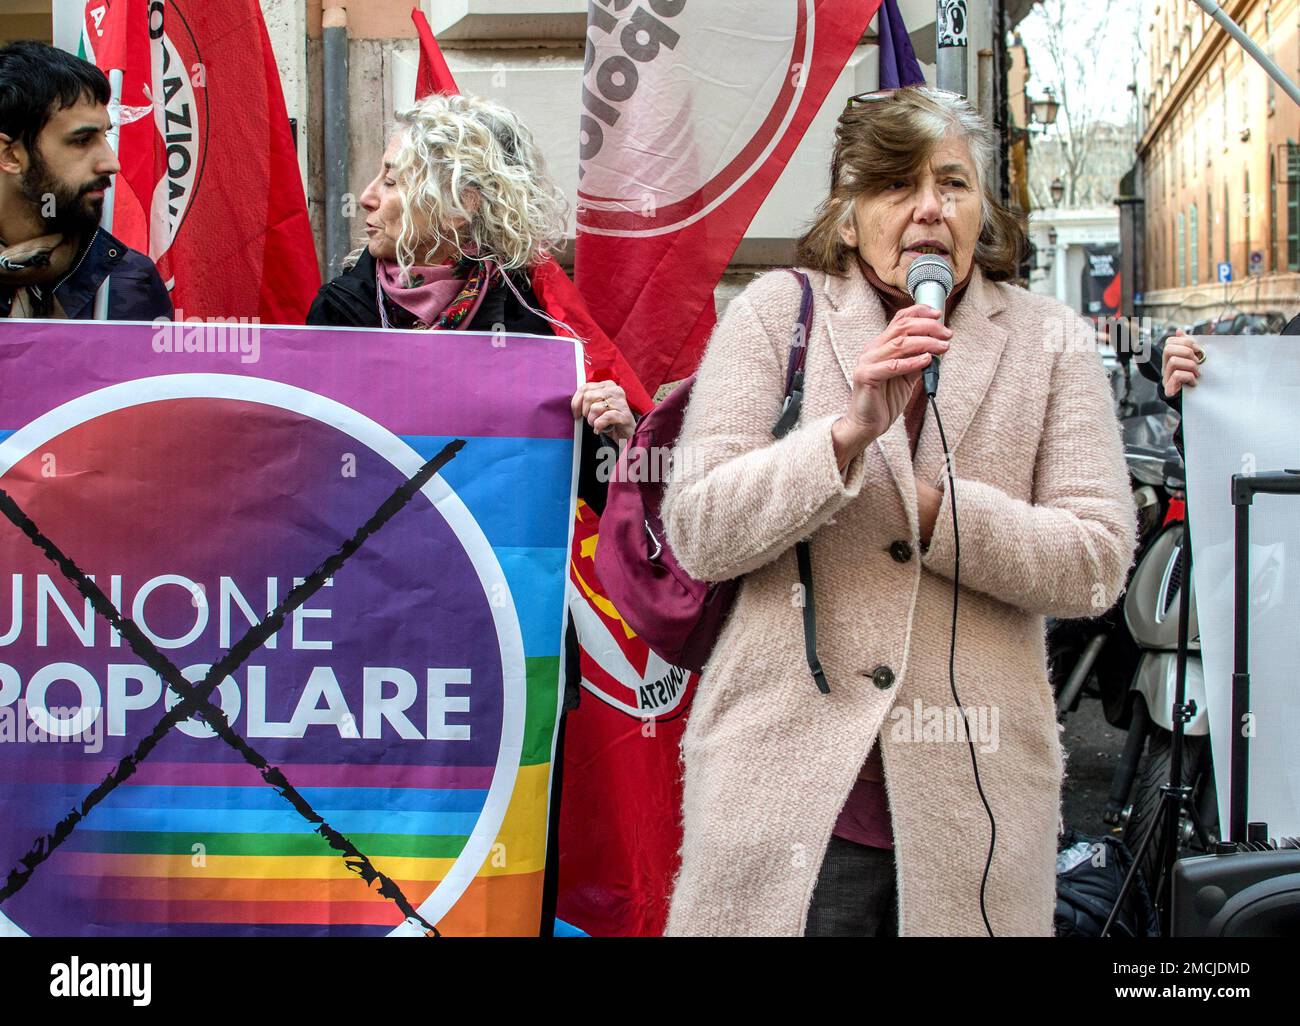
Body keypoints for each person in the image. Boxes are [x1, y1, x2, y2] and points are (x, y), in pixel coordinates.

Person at [660, 86, 1138, 936]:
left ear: (980, 209)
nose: (927, 209)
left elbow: (1097, 560)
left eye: (951, 184)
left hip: (973, 818)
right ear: (848, 218)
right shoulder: (776, 314)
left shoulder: (1048, 338)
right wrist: (843, 438)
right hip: (793, 808)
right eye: (895, 186)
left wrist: (928, 513)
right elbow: (698, 528)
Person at [307, 92, 636, 469]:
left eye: (393, 181)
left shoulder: (530, 317)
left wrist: (619, 436)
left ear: (458, 208)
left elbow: (590, 483)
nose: (366, 196)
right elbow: (314, 469)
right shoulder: (339, 310)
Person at [0, 41, 171, 321]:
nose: (112, 164)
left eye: (105, 136)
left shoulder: (128, 282)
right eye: (82, 140)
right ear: (11, 156)